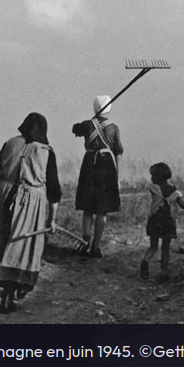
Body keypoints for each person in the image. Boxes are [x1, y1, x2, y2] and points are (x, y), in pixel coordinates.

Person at [0, 113, 62, 313]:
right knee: (24, 246)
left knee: (6, 243)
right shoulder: (46, 152)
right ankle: (16, 290)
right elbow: (54, 191)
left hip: (3, 196)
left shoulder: (10, 143)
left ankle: (9, 290)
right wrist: (52, 219)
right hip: (29, 200)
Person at [71, 95, 124, 258]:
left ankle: (85, 237)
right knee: (102, 210)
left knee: (88, 207)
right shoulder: (113, 128)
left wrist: (91, 122)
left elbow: (75, 129)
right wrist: (117, 177)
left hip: (89, 165)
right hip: (107, 166)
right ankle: (96, 245)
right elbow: (118, 153)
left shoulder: (87, 125)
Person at [140, 162, 184, 283]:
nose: (151, 178)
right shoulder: (172, 190)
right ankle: (163, 271)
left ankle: (145, 260)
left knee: (153, 246)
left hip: (154, 219)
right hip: (168, 221)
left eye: (152, 176)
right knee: (165, 247)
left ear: (157, 177)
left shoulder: (154, 188)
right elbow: (182, 204)